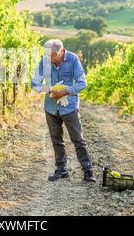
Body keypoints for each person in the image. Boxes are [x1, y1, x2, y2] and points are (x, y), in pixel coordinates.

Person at [31, 39, 96, 182]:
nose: (51, 60)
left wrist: (65, 91)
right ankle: (61, 169)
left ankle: (88, 171)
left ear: (62, 51)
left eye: (54, 56)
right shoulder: (45, 60)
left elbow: (82, 83)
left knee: (78, 139)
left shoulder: (73, 59)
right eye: (49, 56)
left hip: (70, 107)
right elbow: (34, 83)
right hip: (51, 107)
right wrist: (50, 89)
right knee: (56, 139)